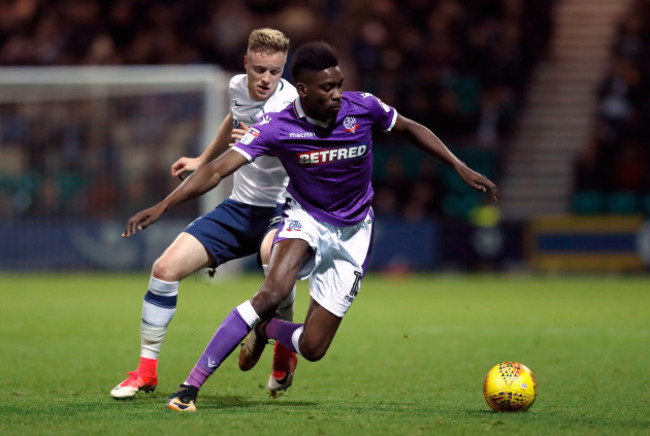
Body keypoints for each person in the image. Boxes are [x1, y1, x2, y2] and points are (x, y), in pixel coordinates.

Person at [121, 41, 498, 412]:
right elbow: (219, 169)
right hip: (305, 218)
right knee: (271, 291)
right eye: (327, 88)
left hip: (354, 232)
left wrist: (459, 165)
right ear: (303, 90)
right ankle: (190, 388)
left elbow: (411, 128)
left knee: (314, 347)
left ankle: (266, 330)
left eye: (339, 84)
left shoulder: (363, 106)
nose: (337, 94)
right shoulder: (277, 126)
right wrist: (164, 204)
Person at [110, 28, 300, 400]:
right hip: (240, 206)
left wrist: (263, 143)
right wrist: (202, 159)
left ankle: (284, 350)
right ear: (246, 63)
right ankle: (145, 371)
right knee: (164, 269)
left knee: (273, 262)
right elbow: (233, 118)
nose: (266, 79)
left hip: (283, 208)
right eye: (260, 69)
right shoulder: (234, 86)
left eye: (275, 71)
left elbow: (304, 154)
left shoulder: (291, 103)